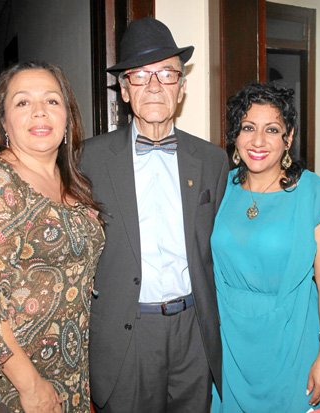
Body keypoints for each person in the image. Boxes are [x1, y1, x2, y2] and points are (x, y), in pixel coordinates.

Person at [81, 17, 229, 412]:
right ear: (124, 89)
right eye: (140, 75)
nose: (154, 86)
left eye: (166, 73)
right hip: (127, 333)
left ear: (181, 87)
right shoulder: (88, 160)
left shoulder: (213, 160)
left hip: (193, 332)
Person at [0, 61, 105, 412]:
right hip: (12, 378)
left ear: (67, 119)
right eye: (23, 102)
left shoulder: (72, 184)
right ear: (3, 122)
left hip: (69, 367)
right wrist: (31, 385)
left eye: (52, 101)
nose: (40, 111)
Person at [210, 82, 320, 412]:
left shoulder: (312, 193)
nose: (258, 141)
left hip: (292, 341)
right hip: (230, 345)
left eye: (272, 129)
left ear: (289, 137)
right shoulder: (220, 187)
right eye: (248, 128)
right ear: (235, 135)